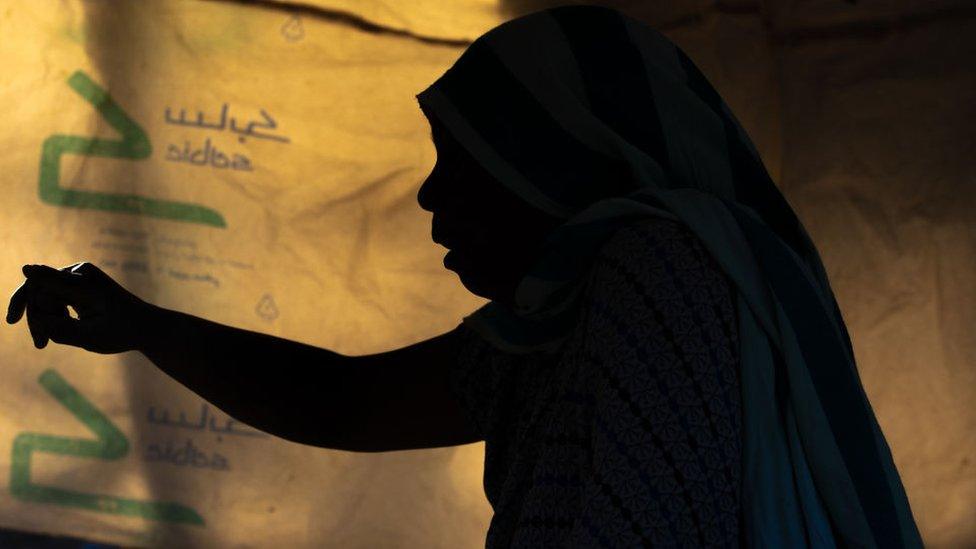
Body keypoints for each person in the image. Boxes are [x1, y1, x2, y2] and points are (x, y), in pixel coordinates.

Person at [6, 5, 923, 548]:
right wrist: (146, 326)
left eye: (463, 162)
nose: (433, 201)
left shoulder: (658, 276)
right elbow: (345, 403)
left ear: (554, 162)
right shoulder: (561, 315)